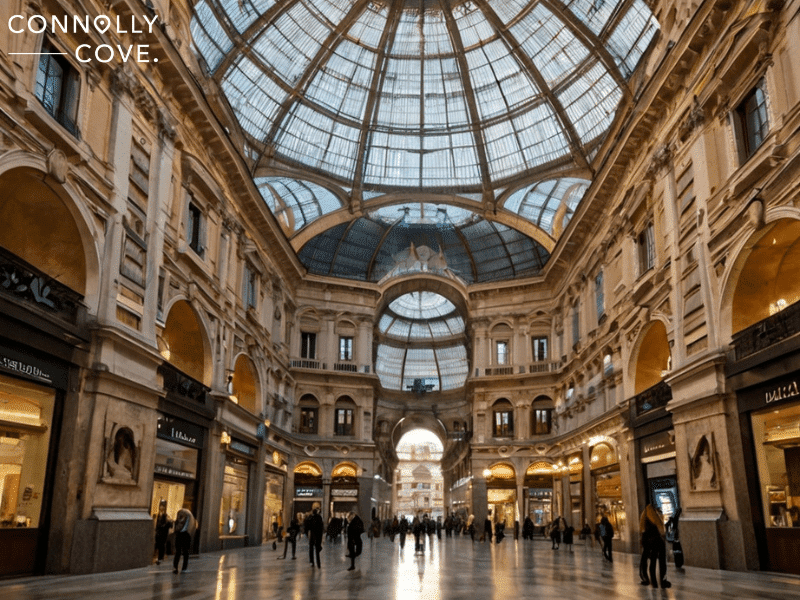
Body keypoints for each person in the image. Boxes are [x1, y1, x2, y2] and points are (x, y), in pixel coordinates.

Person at [639, 504, 671, 588]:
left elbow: (642, 529)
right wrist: (663, 534)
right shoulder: (650, 511)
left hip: (650, 540)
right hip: (655, 539)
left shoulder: (648, 512)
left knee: (652, 560)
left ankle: (654, 582)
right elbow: (658, 524)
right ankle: (660, 581)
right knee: (659, 560)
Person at [172, 507, 196, 574]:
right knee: (183, 552)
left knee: (181, 552)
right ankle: (181, 568)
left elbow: (177, 526)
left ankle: (178, 567)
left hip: (183, 535)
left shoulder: (185, 518)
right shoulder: (190, 518)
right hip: (184, 535)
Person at [153, 499, 172, 565]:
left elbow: (169, 525)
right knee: (158, 546)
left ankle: (160, 559)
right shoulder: (159, 515)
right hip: (158, 534)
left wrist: (163, 526)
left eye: (163, 506)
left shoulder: (166, 516)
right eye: (160, 505)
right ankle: (158, 558)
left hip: (163, 535)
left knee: (161, 546)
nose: (161, 507)